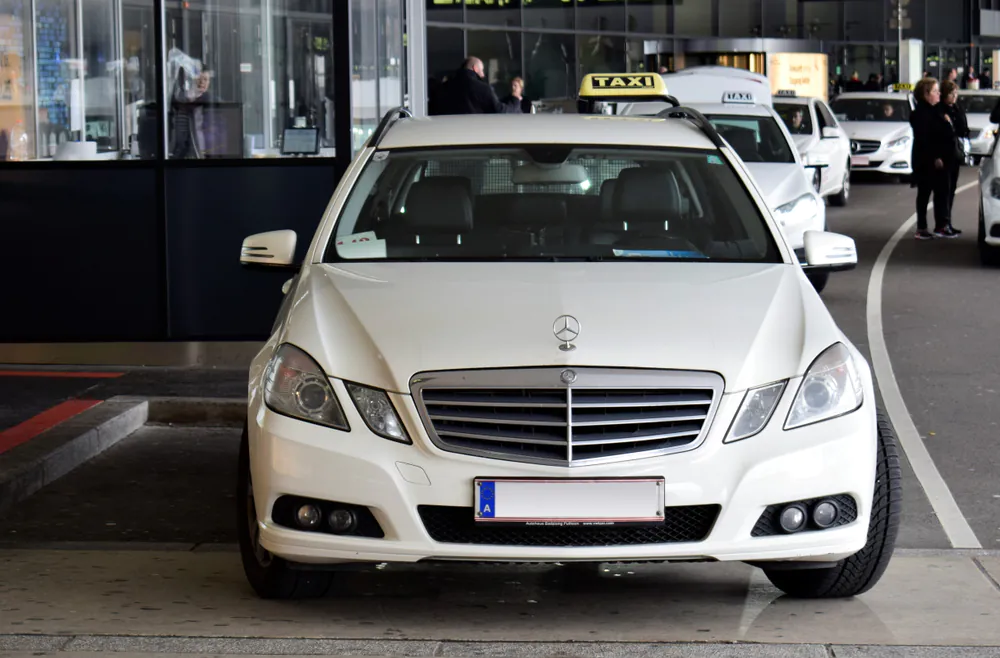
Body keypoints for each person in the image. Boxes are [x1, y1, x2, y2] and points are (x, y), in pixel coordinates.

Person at [909, 77, 960, 239]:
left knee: (941, 193)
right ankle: (922, 227)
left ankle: (941, 225)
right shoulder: (921, 114)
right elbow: (925, 139)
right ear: (926, 94)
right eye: (935, 91)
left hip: (941, 159)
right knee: (925, 193)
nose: (939, 94)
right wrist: (935, 157)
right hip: (927, 161)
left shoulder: (936, 110)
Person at [939, 79, 968, 234]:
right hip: (945, 154)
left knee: (952, 190)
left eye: (956, 93)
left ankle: (948, 222)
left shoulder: (957, 108)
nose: (954, 96)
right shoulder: (941, 110)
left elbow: (963, 127)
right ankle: (943, 223)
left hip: (955, 154)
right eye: (952, 93)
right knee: (945, 190)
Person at [435, 57, 504, 115]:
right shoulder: (483, 88)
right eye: (482, 70)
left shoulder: (444, 87)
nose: (483, 74)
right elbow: (500, 111)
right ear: (475, 68)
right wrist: (514, 99)